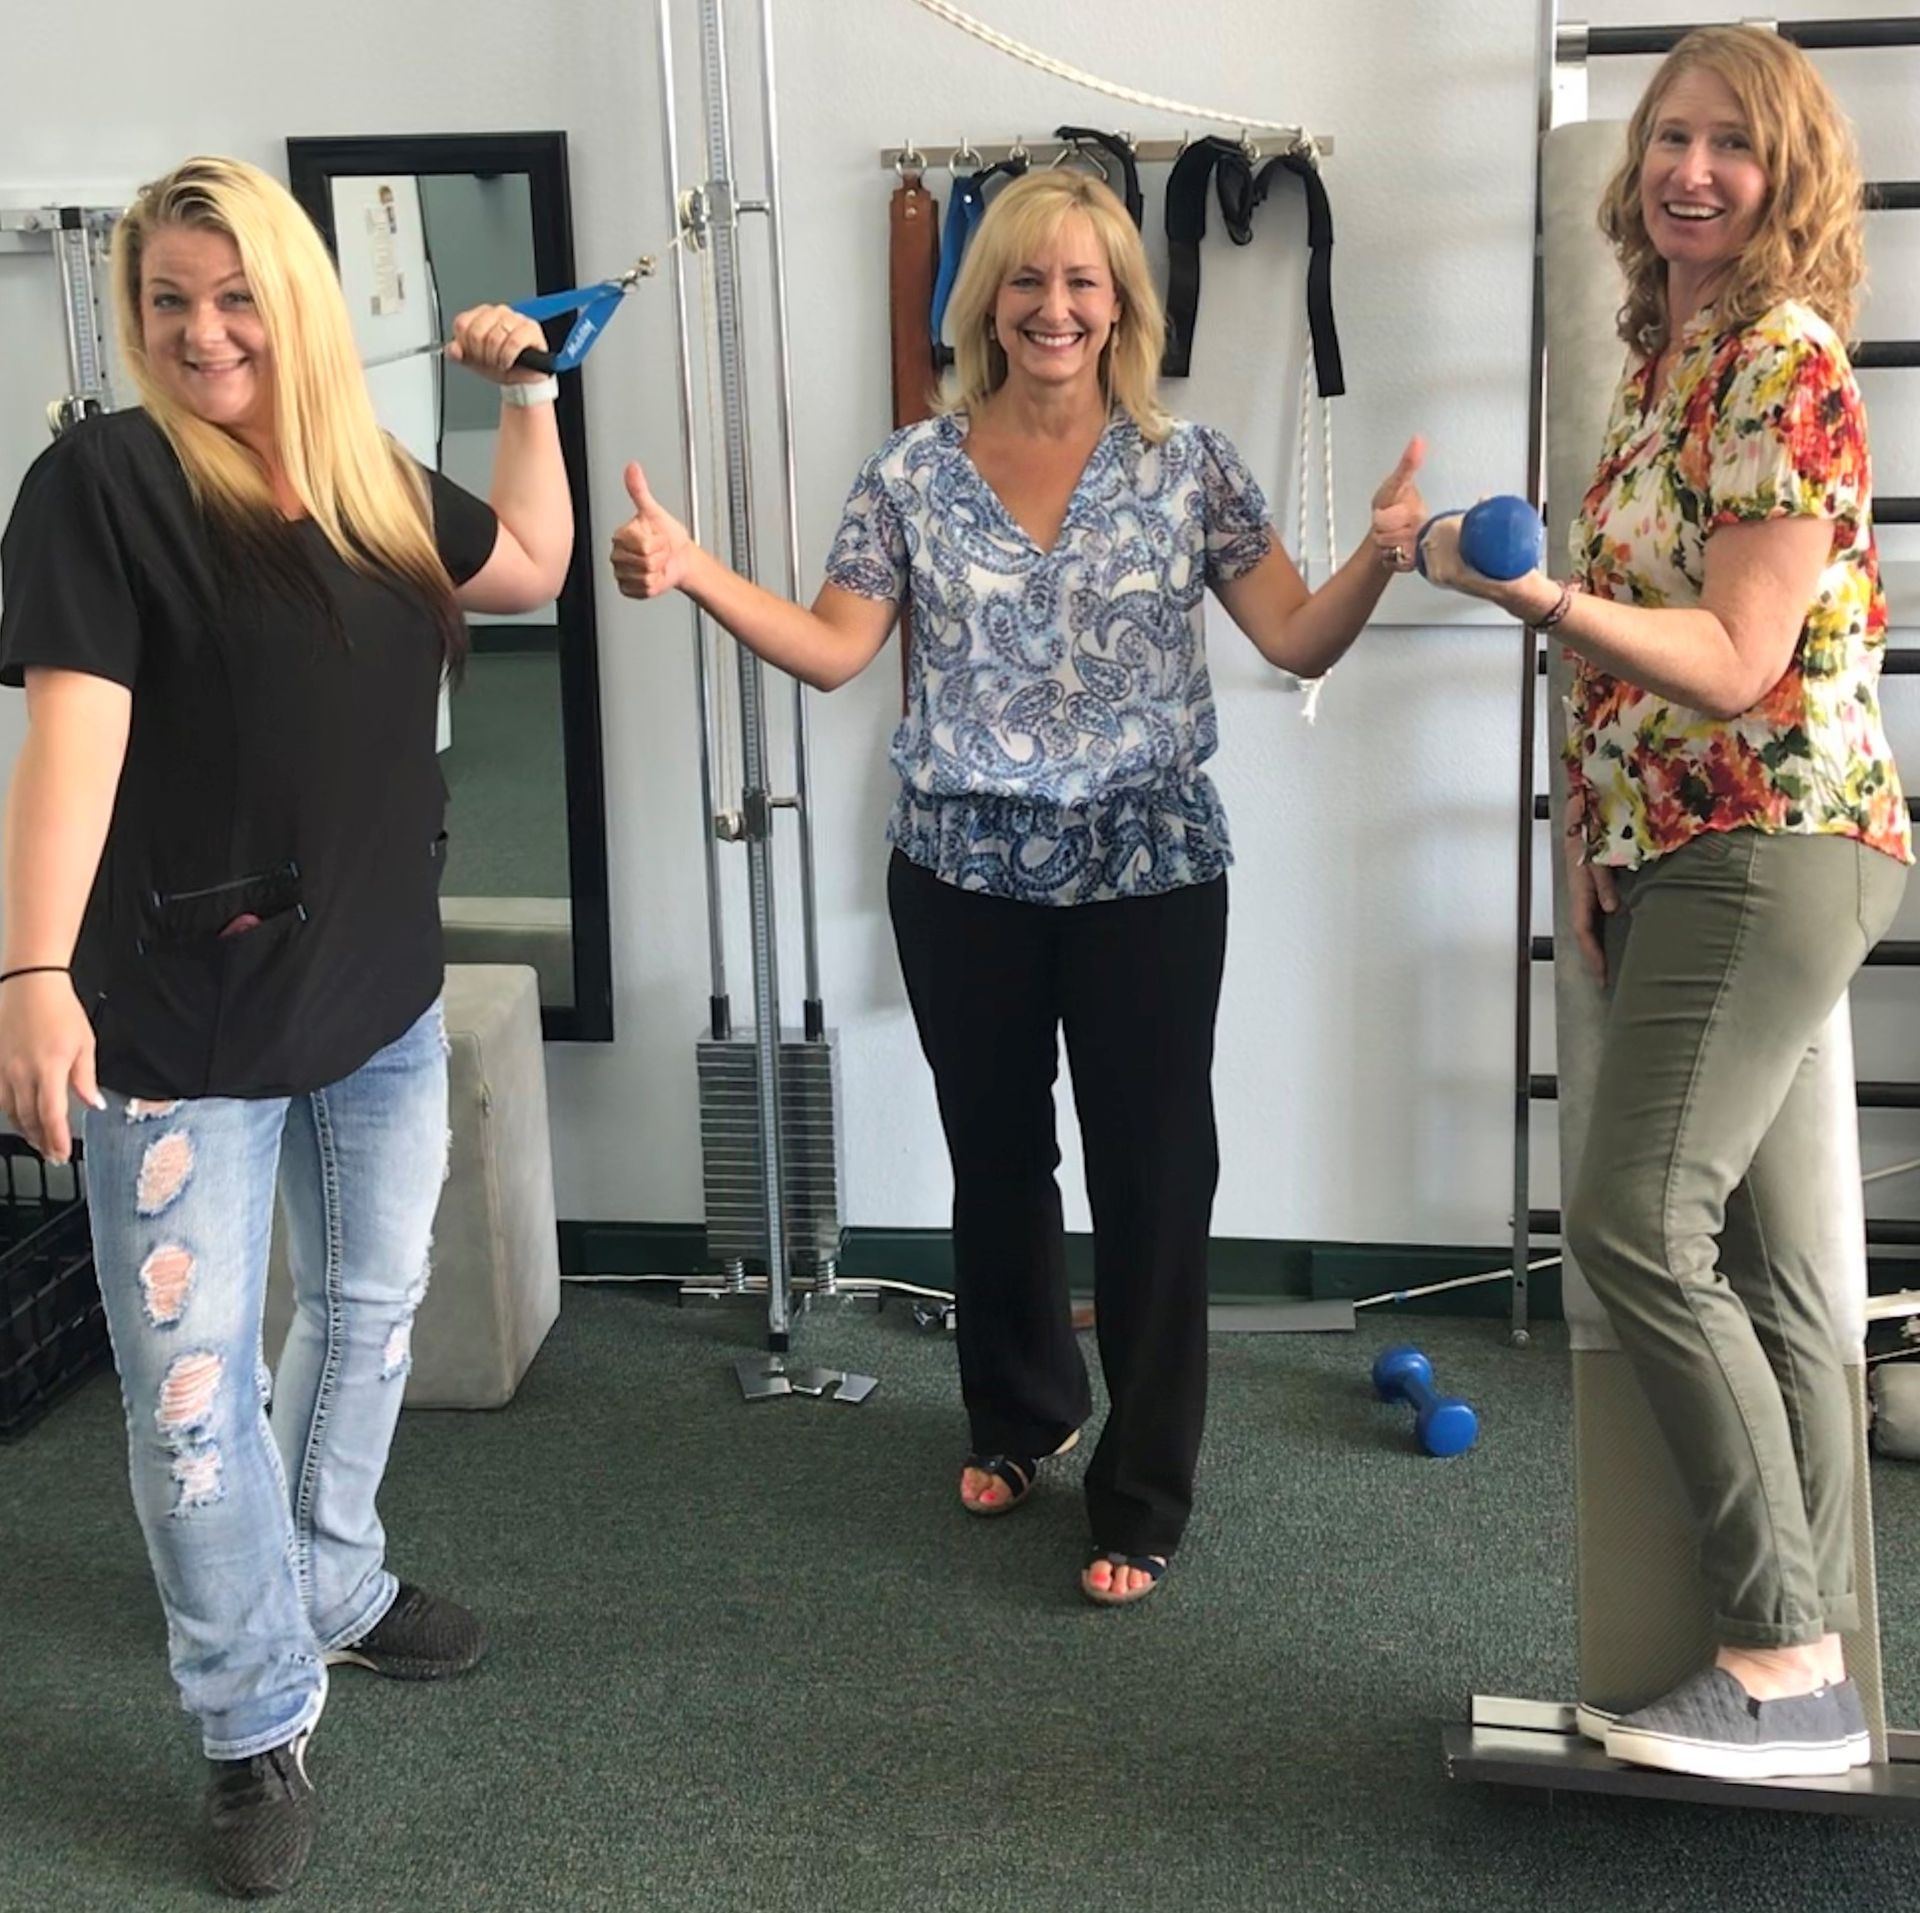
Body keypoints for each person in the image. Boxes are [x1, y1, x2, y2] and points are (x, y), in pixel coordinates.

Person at [612, 170, 1424, 1606]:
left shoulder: (1192, 467)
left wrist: (1381, 551)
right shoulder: (913, 471)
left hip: (1149, 870)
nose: (1054, 307)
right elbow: (831, 648)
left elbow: (1296, 638)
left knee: (1156, 1179)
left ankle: (1146, 1484)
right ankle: (1021, 1410)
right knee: (996, 1158)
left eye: (1083, 282)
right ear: (986, 301)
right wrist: (689, 570)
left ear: (1122, 305)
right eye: (1027, 281)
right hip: (961, 870)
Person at [0, 155, 573, 1894]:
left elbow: (534, 563)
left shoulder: (359, 474)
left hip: (377, 998)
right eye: (168, 299)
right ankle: (253, 1719)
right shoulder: (102, 483)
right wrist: (27, 976)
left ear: (298, 305)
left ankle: (331, 1575)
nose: (200, 330)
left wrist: (530, 394)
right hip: (176, 1023)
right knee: (191, 1398)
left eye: (234, 293)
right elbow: (73, 744)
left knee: (371, 1306)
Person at [1416, 27, 1907, 1781]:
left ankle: (1778, 1653)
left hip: (1772, 830)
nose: (1689, 170)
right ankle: (1824, 1659)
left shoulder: (1783, 359)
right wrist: (1587, 846)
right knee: (1781, 1276)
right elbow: (1621, 669)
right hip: (1685, 846)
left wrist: (1538, 594)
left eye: (1731, 145)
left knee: (1630, 1219)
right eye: (1668, 139)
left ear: (1790, 177)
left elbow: (1734, 655)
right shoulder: (1667, 352)